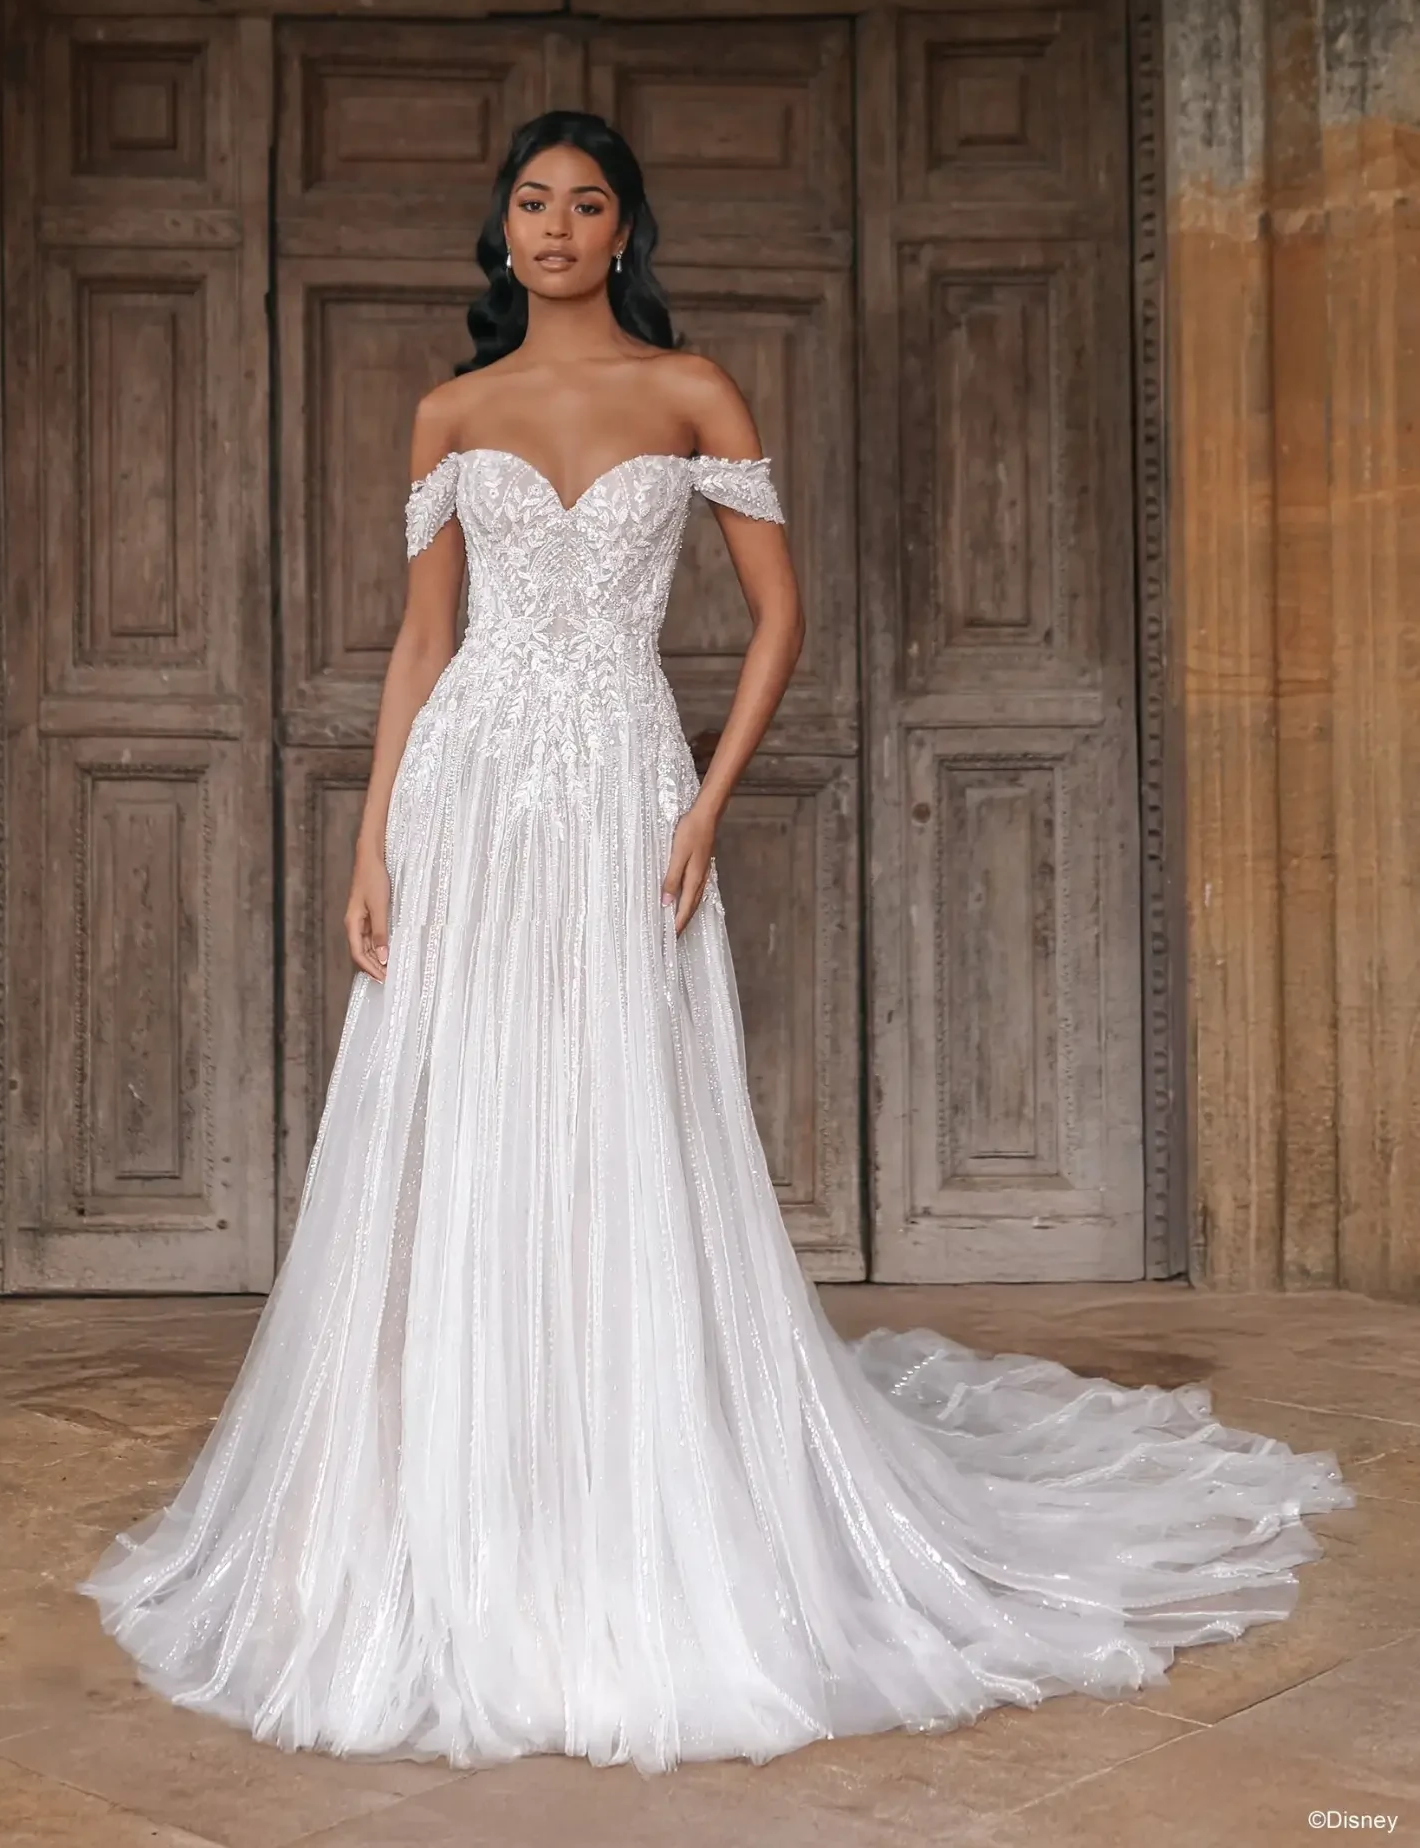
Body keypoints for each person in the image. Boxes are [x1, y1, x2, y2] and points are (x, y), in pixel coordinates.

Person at [81, 111, 1349, 1773]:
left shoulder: (694, 391)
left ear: (626, 230)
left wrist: (704, 808)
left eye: (584, 203)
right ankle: (453, 1490)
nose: (552, 227)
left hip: (621, 777)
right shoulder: (448, 411)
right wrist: (374, 836)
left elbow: (780, 617)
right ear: (503, 232)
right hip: (469, 793)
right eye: (529, 202)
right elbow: (419, 643)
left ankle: (640, 1477)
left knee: (622, 1111)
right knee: (461, 1110)